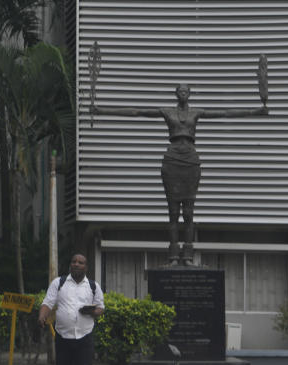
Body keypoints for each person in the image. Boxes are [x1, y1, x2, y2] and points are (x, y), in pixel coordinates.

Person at [93, 84, 267, 265]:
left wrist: (256, 111)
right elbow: (138, 112)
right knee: (173, 212)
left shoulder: (196, 112)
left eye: (186, 91)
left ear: (190, 94)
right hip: (172, 159)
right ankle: (174, 255)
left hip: (190, 160)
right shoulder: (167, 112)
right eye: (180, 91)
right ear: (176, 94)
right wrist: (102, 110)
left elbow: (225, 113)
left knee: (189, 213)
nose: (183, 93)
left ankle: (189, 255)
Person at [37, 253, 105, 365]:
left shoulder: (93, 286)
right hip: (63, 335)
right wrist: (42, 316)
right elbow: (48, 302)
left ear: (86, 267)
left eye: (80, 262)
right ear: (70, 265)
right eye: (73, 261)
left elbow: (100, 307)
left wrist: (92, 311)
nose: (76, 264)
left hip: (85, 335)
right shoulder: (58, 283)